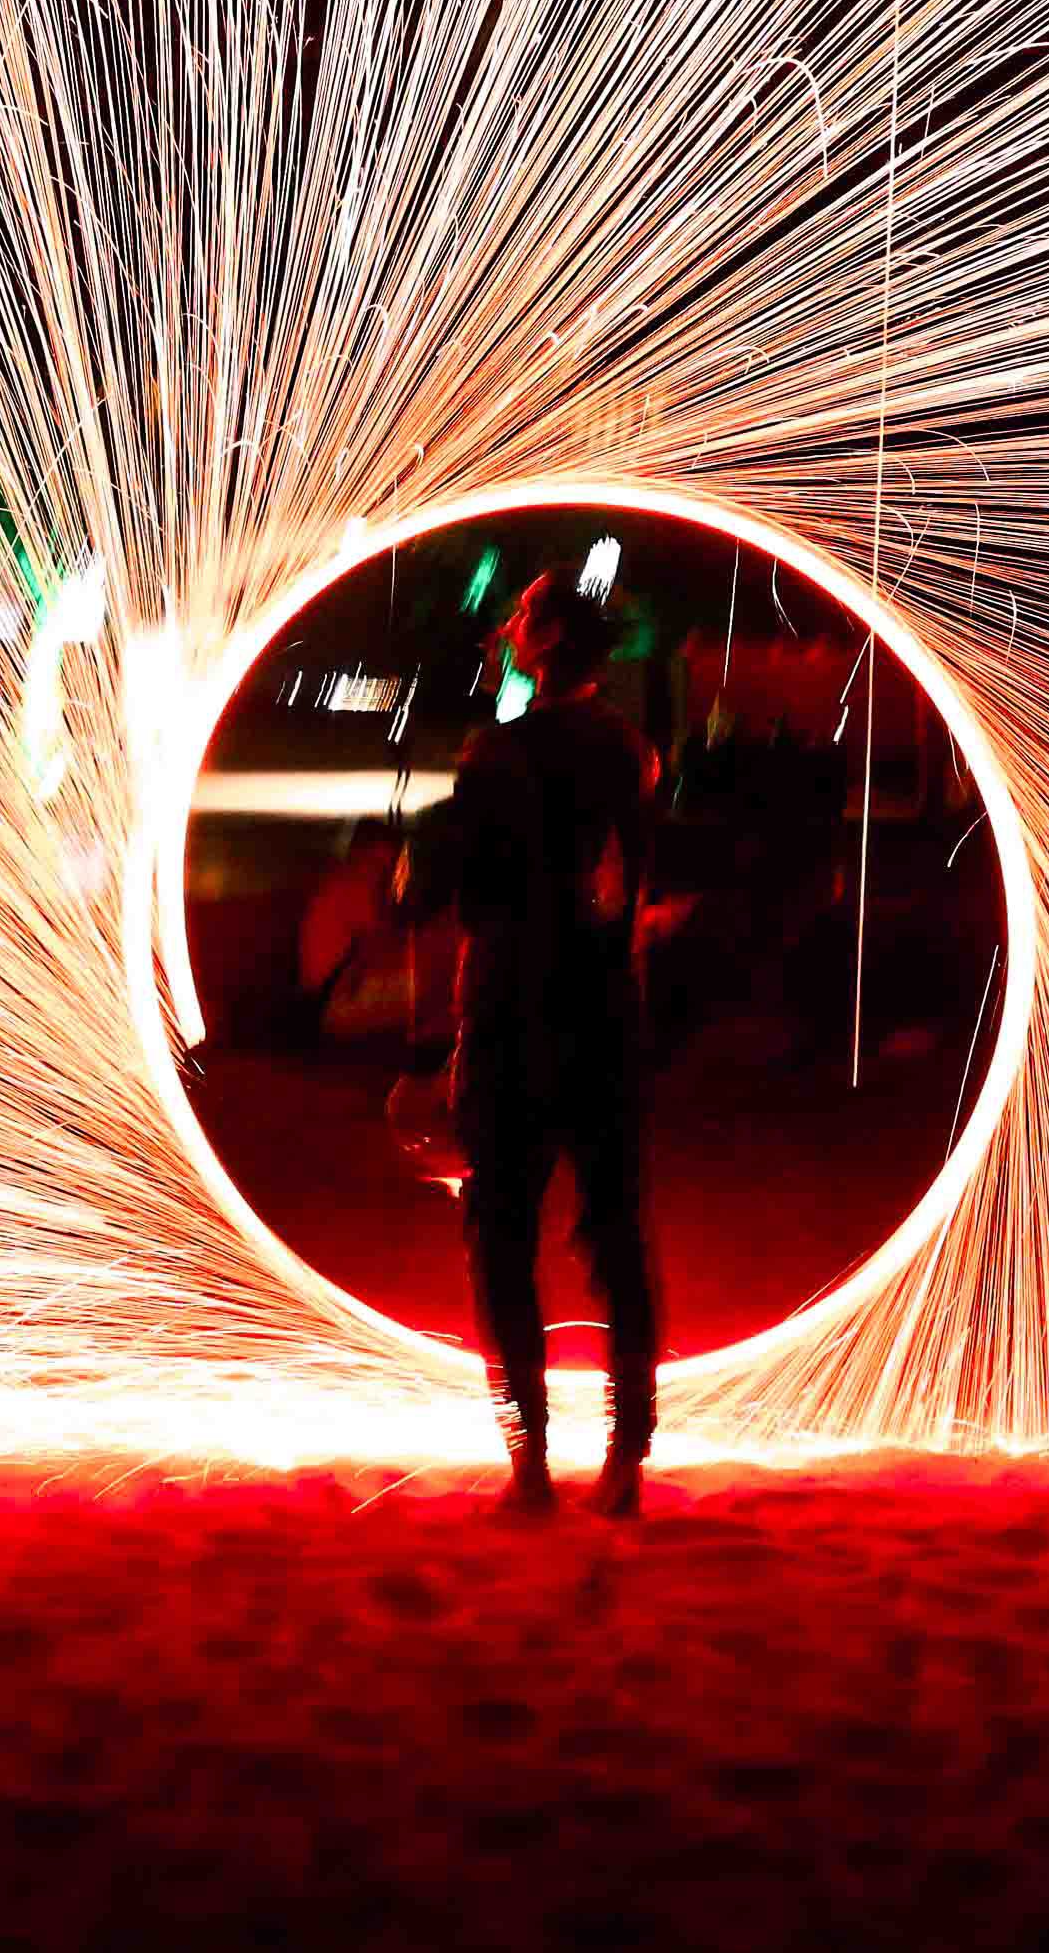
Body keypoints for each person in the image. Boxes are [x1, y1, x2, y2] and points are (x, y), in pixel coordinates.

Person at [416, 563, 664, 1519]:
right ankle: (626, 1466)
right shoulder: (632, 752)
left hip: (515, 1015)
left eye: (522, 615)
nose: (507, 627)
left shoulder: (497, 754)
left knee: (501, 1239)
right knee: (617, 1238)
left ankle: (529, 1469)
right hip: (605, 1013)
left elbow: (463, 891)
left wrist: (412, 874)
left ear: (550, 639)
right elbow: (627, 885)